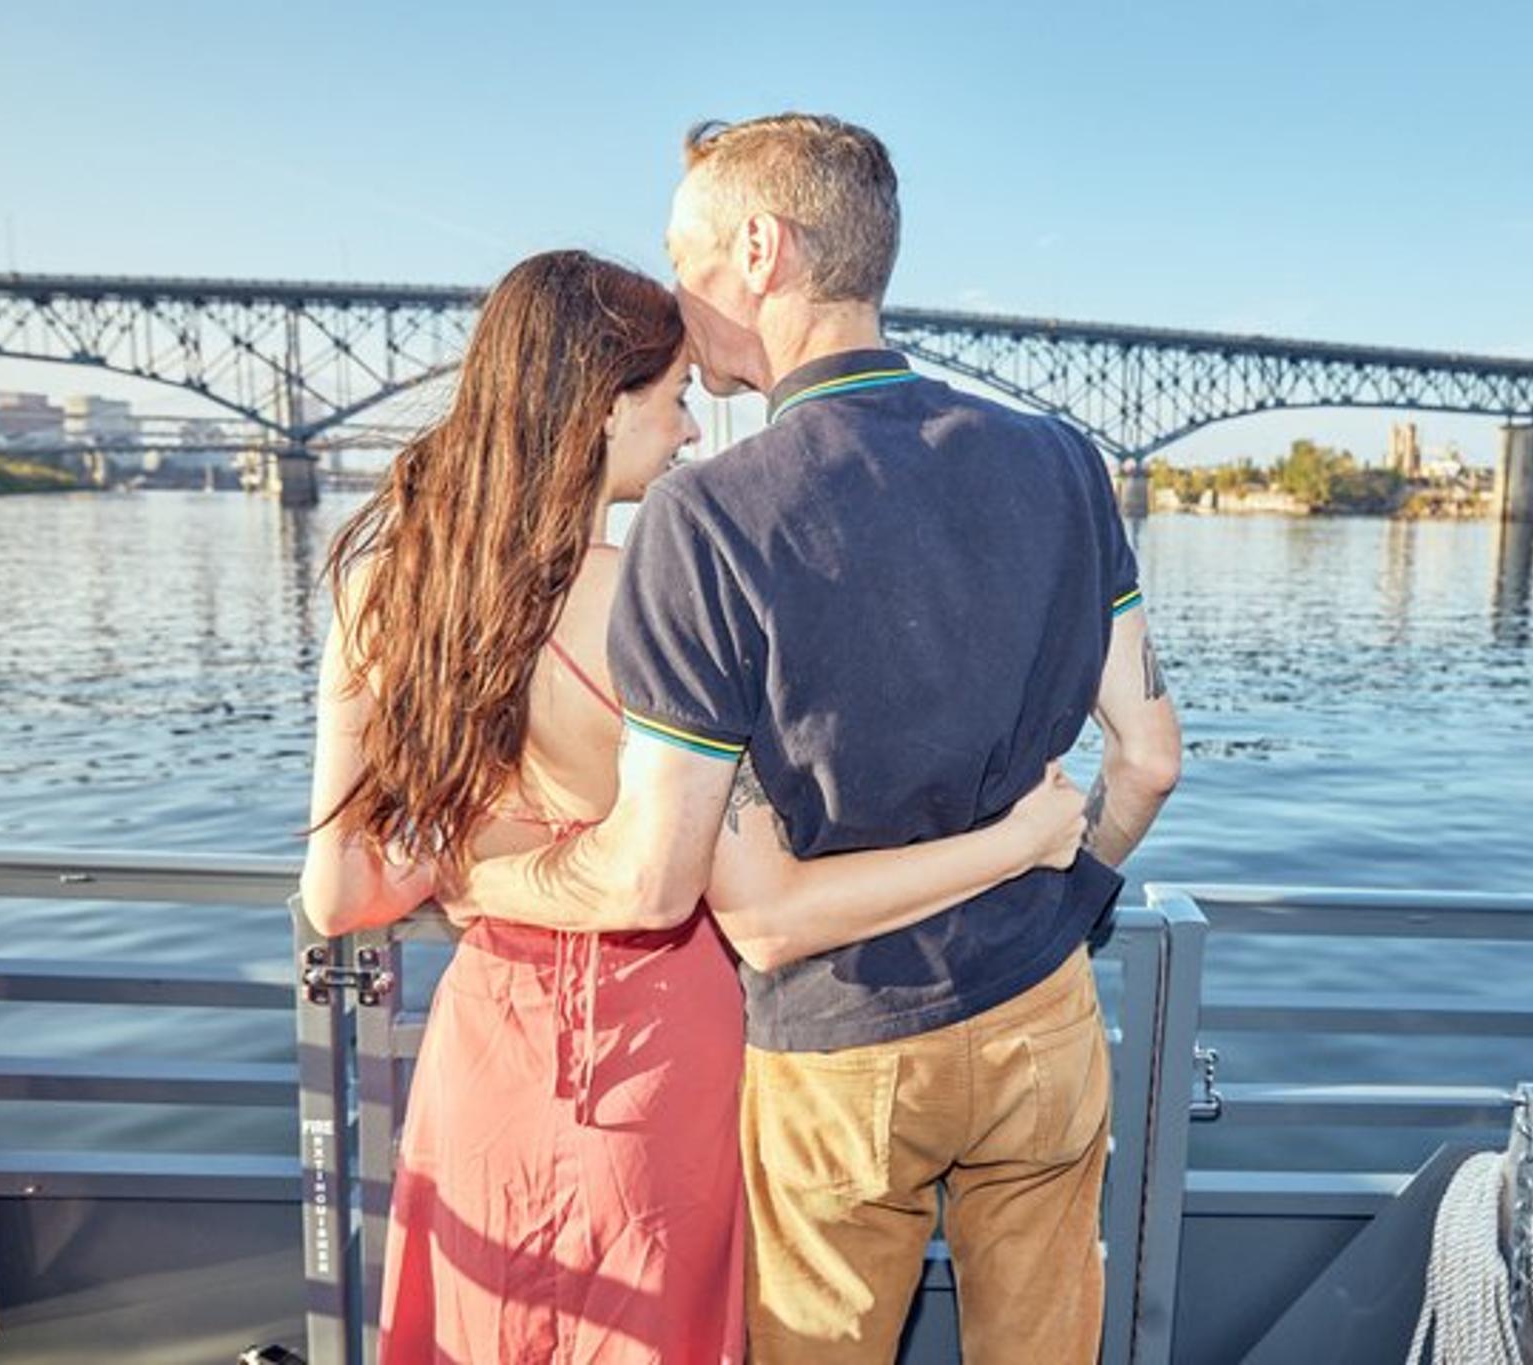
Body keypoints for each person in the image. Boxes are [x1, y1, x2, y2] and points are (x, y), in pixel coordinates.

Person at [462, 117, 1183, 1363]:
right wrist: (1053, 890)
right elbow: (1148, 756)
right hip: (1045, 1022)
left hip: (842, 1052)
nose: (674, 298)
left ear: (758, 247)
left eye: (682, 255)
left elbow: (752, 914)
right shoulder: (1063, 463)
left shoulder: (705, 520)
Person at [299, 249, 1088, 1365]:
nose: (687, 434)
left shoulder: (378, 589)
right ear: (600, 407)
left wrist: (479, 869)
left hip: (483, 1051)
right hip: (660, 1047)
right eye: (670, 401)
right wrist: (1015, 841)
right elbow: (704, 886)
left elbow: (339, 894)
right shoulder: (646, 593)